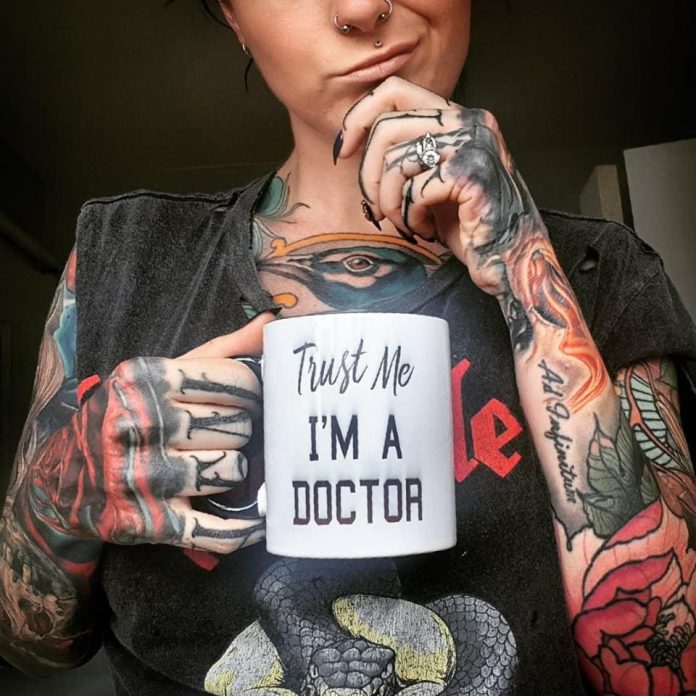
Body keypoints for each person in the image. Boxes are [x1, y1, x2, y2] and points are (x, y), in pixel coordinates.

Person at [1, 1, 695, 694]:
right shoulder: (121, 257)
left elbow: (667, 672)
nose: (362, 9)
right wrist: (61, 490)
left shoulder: (600, 273)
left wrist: (526, 271)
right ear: (233, 16)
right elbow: (30, 646)